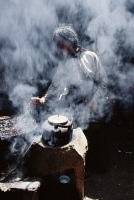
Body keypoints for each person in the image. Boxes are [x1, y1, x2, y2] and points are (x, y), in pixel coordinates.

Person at [31, 24, 110, 171]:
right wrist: (43, 99)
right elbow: (54, 86)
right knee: (75, 136)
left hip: (94, 102)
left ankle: (96, 167)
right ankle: (79, 168)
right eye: (58, 45)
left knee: (95, 137)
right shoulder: (64, 64)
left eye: (62, 43)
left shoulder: (91, 57)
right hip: (74, 104)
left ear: (70, 40)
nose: (60, 48)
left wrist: (95, 101)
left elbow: (103, 83)